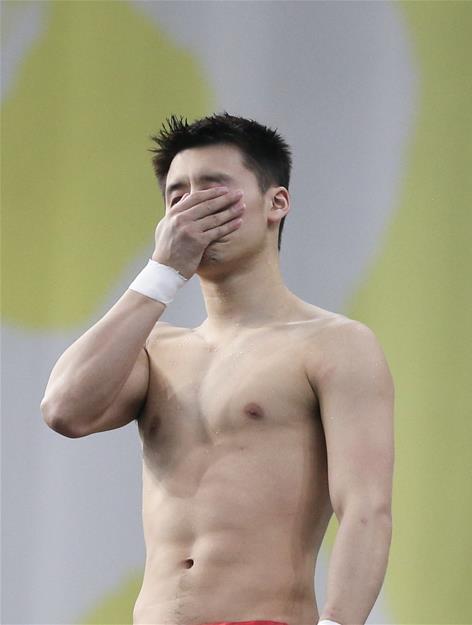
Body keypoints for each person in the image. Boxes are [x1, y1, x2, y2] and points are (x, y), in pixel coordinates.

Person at [40, 114, 395, 625]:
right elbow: (64, 411)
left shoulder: (334, 345)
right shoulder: (154, 350)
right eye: (178, 196)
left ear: (277, 203)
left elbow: (366, 509)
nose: (193, 208)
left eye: (214, 189)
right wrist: (161, 273)